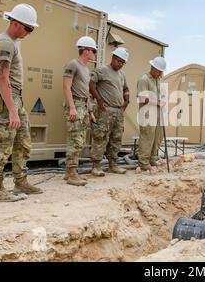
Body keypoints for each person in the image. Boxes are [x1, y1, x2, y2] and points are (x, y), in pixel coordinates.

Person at [0, 4, 42, 202]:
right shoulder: (5, 43)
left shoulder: (14, 41)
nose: (29, 33)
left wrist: (16, 107)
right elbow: (1, 78)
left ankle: (20, 181)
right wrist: (12, 110)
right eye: (28, 28)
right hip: (4, 99)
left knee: (22, 142)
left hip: (14, 98)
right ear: (16, 23)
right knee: (2, 145)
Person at [89, 47, 130, 176]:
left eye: (123, 62)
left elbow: (126, 89)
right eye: (119, 61)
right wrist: (99, 100)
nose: (121, 64)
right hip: (105, 110)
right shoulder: (102, 70)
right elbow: (91, 84)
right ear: (113, 58)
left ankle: (113, 165)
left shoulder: (122, 75)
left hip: (118, 111)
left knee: (116, 138)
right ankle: (96, 166)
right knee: (101, 137)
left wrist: (126, 100)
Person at [62, 36, 97, 186]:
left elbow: (86, 92)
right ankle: (71, 174)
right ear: (87, 50)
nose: (94, 53)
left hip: (83, 106)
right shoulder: (73, 64)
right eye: (93, 51)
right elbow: (66, 87)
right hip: (75, 104)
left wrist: (90, 112)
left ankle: (70, 172)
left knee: (80, 140)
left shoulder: (86, 68)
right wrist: (72, 107)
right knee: (75, 141)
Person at [136, 57, 167, 172]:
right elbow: (142, 98)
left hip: (158, 113)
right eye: (159, 71)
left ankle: (153, 158)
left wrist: (163, 100)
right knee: (147, 137)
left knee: (158, 136)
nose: (160, 73)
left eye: (161, 71)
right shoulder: (144, 79)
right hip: (148, 113)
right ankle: (144, 162)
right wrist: (157, 102)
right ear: (153, 68)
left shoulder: (159, 79)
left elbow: (162, 94)